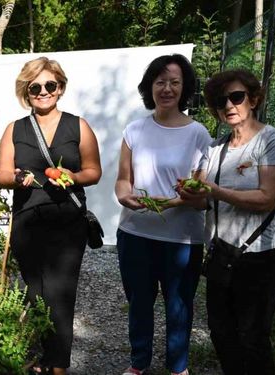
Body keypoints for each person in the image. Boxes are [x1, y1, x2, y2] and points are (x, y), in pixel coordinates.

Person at [0, 56, 102, 375]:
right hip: (27, 222)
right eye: (35, 87)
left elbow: (94, 171)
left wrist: (71, 176)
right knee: (35, 293)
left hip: (68, 223)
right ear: (26, 92)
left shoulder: (78, 126)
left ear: (60, 88)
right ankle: (46, 357)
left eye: (49, 85)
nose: (43, 91)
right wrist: (16, 178)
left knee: (60, 295)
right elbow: (1, 174)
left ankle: (58, 366)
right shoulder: (14, 130)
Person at [181, 69, 275, 375]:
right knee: (221, 331)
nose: (229, 105)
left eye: (237, 96)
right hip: (222, 253)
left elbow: (267, 197)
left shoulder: (272, 140)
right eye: (220, 100)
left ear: (253, 99)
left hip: (260, 255)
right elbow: (203, 198)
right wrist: (186, 192)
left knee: (253, 337)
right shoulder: (215, 148)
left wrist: (214, 190)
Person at [114, 54, 212, 375]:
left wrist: (175, 201)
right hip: (135, 233)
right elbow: (122, 180)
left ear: (184, 88)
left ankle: (178, 367)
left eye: (174, 82)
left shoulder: (199, 133)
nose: (166, 88)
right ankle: (138, 362)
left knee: (179, 306)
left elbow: (200, 190)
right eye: (160, 82)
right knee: (139, 303)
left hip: (182, 237)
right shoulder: (134, 130)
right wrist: (125, 197)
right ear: (150, 87)